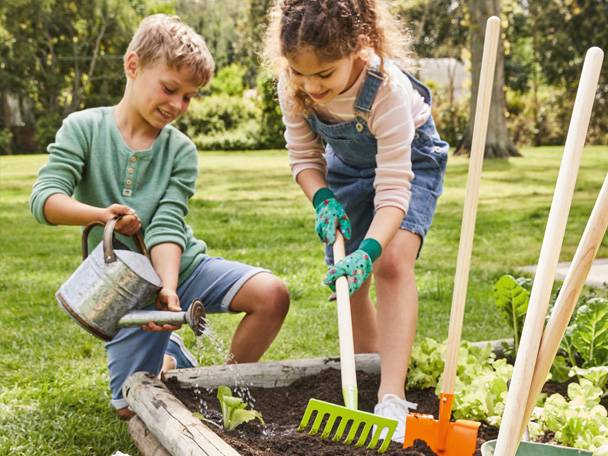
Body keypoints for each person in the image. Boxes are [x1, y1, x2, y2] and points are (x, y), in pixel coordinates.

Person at [30, 14, 289, 420]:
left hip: (182, 269)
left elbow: (169, 223)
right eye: (170, 89)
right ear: (133, 66)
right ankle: (173, 361)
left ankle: (218, 389)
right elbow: (45, 200)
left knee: (272, 295)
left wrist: (169, 290)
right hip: (127, 289)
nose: (177, 106)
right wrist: (102, 215)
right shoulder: (82, 129)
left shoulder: (180, 150)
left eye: (188, 96)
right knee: (130, 409)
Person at [263, 0, 448, 442]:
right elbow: (305, 158)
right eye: (297, 72)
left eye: (324, 74)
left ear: (360, 50)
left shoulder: (387, 91)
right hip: (344, 166)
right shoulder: (294, 88)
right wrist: (323, 198)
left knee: (390, 262)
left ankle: (391, 396)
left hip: (411, 161)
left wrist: (370, 249)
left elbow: (393, 190)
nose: (311, 85)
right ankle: (367, 372)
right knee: (347, 279)